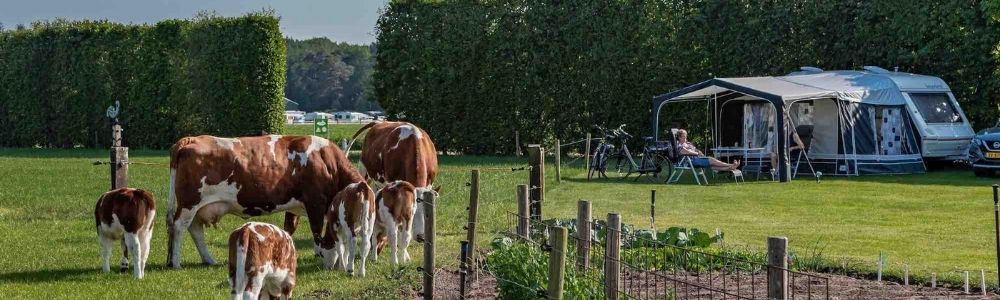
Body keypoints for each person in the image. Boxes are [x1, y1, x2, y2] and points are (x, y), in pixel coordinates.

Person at [675, 129, 740, 171]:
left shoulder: (687, 143)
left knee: (712, 166)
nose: (686, 137)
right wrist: (697, 153)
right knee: (711, 160)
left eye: (686, 135)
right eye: (684, 136)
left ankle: (730, 168)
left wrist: (698, 151)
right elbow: (685, 152)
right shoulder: (679, 146)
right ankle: (730, 165)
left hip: (696, 159)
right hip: (690, 161)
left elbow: (694, 149)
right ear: (679, 137)